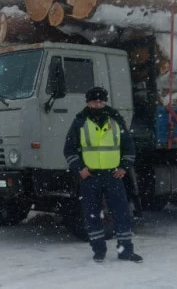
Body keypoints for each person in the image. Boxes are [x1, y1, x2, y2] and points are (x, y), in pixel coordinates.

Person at [63, 86, 143, 263]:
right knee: (92, 215)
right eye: (94, 101)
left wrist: (124, 166)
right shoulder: (80, 122)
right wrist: (80, 169)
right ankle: (98, 250)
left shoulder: (115, 120)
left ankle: (126, 251)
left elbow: (128, 146)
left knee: (122, 214)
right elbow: (69, 149)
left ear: (105, 101)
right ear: (88, 102)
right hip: (90, 177)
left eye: (100, 101)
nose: (98, 104)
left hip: (113, 176)